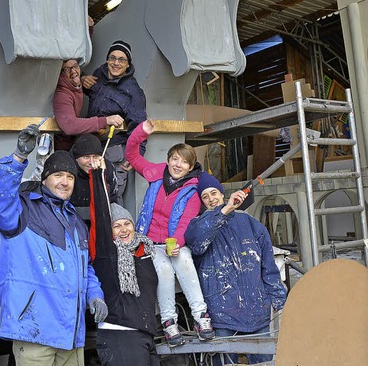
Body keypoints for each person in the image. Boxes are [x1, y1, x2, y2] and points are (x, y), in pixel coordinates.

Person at [0, 124, 108, 366]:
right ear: (44, 179)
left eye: (70, 176)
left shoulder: (76, 222)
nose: (65, 182)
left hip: (71, 334)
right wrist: (20, 156)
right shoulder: (22, 210)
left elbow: (86, 268)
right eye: (58, 175)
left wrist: (95, 295)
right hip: (34, 331)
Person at [126, 119, 214, 346]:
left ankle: (201, 316)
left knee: (185, 262)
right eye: (174, 159)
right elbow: (132, 155)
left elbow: (186, 220)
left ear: (190, 167)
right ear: (168, 160)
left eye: (184, 162)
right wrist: (141, 132)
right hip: (149, 243)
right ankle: (168, 322)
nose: (177, 165)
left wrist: (176, 243)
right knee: (164, 274)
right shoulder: (155, 173)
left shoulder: (193, 190)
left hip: (175, 243)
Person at [185, 173, 286, 366]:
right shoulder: (198, 225)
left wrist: (280, 300)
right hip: (222, 316)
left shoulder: (251, 224)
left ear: (222, 194)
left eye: (214, 193)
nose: (211, 199)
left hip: (258, 313)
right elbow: (197, 242)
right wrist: (223, 212)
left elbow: (268, 268)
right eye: (205, 196)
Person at [88, 166, 159, 366]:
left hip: (145, 334)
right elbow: (100, 217)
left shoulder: (144, 251)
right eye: (116, 226)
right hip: (119, 335)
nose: (123, 229)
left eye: (127, 223)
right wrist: (97, 175)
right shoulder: (106, 254)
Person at [81, 40, 147, 204]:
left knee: (111, 197)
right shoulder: (99, 75)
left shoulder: (133, 90)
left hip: (115, 149)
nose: (116, 63)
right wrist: (83, 81)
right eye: (112, 58)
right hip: (94, 148)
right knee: (93, 195)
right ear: (107, 59)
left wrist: (135, 155)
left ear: (128, 64)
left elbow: (140, 125)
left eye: (121, 60)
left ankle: (116, 229)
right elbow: (91, 91)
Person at [53, 58, 123, 151]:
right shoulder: (62, 94)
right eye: (66, 69)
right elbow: (70, 125)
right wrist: (105, 121)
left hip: (71, 145)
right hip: (60, 149)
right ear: (60, 74)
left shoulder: (74, 86)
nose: (73, 71)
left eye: (75, 66)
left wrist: (83, 78)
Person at [69, 133, 118, 208]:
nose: (91, 162)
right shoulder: (67, 169)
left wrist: (100, 174)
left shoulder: (108, 169)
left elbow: (112, 201)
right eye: (86, 157)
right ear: (76, 158)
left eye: (95, 156)